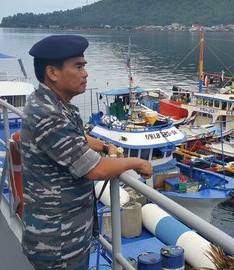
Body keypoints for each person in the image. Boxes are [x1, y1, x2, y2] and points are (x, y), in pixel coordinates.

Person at [20, 35, 152, 270]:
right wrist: (136, 163)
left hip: (66, 233)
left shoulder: (51, 102)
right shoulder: (48, 114)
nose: (86, 73)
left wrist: (105, 146)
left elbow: (77, 137)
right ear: (52, 72)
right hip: (58, 243)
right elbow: (95, 169)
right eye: (78, 66)